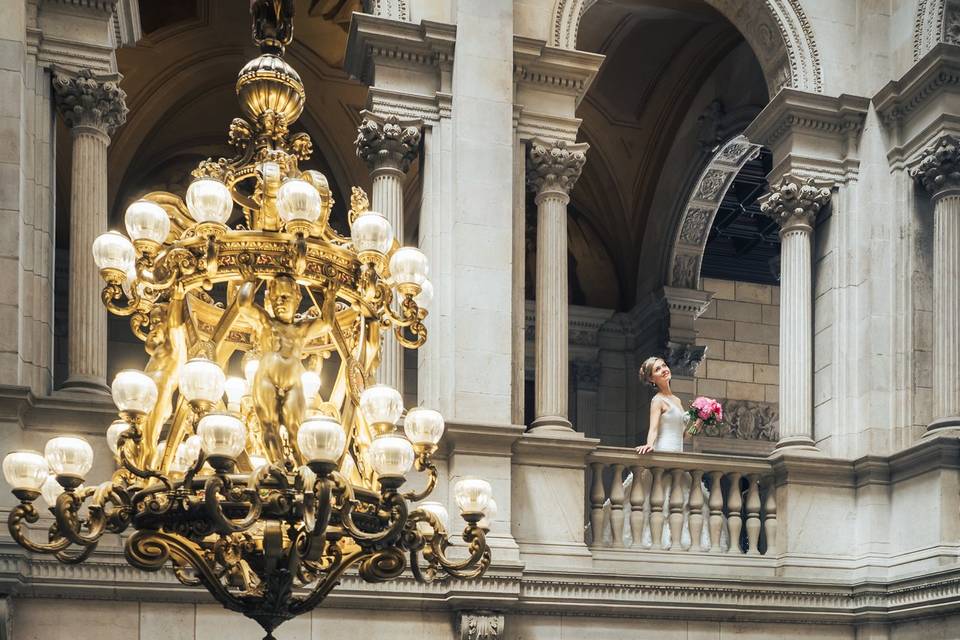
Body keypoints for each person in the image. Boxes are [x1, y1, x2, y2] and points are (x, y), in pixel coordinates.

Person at [635, 356, 701, 454]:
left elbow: (683, 436)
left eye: (664, 365)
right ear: (651, 378)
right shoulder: (657, 400)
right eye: (658, 369)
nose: (664, 370)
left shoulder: (677, 400)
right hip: (663, 452)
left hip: (678, 455)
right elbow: (653, 429)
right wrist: (649, 444)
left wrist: (699, 423)